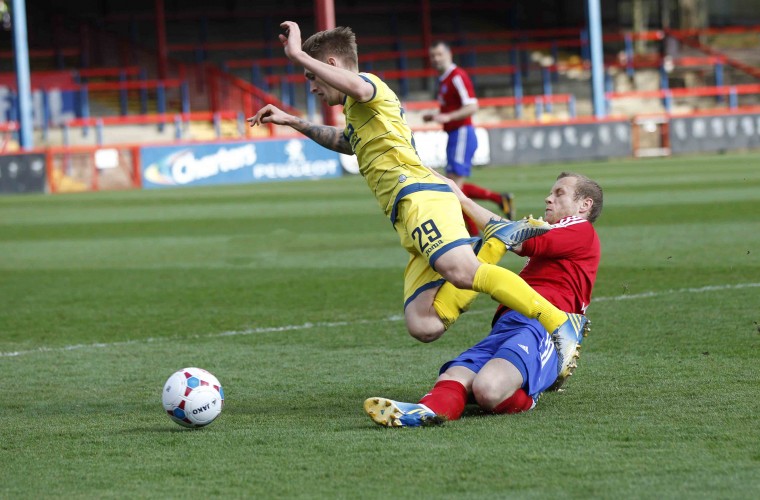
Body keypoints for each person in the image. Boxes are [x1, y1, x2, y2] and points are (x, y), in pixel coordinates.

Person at [247, 22, 586, 378]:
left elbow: (358, 87)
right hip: (404, 214)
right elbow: (347, 142)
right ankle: (494, 242)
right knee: (424, 324)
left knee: (462, 272)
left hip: (420, 196)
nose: (312, 85)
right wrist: (293, 121)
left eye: (311, 75)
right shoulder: (357, 110)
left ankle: (559, 324)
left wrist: (299, 54)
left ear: (331, 64)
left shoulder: (370, 86)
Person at [364, 172, 603, 427]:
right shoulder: (561, 234)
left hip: (544, 327)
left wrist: (462, 199)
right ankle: (424, 412)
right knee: (454, 376)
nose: (548, 198)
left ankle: (528, 396)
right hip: (508, 323)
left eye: (559, 193)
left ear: (584, 205)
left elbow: (518, 239)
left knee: (487, 389)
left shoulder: (580, 229)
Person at [423, 40, 515, 235]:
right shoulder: (444, 80)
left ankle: (474, 237)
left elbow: (472, 106)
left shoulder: (457, 76)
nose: (436, 59)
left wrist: (448, 116)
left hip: (462, 134)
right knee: (454, 187)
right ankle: (499, 200)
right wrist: (437, 115)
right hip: (455, 135)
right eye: (432, 56)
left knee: (453, 190)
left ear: (449, 55)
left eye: (439, 54)